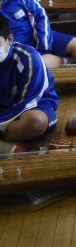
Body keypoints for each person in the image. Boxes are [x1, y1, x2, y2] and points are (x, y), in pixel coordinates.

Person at [0, 0, 76, 68]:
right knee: (37, 63)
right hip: (19, 50)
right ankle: (65, 61)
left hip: (41, 36)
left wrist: (44, 49)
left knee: (74, 44)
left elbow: (41, 17)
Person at [0, 13, 59, 156]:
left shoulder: (28, 57)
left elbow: (28, 102)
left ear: (10, 39)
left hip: (31, 107)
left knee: (35, 122)